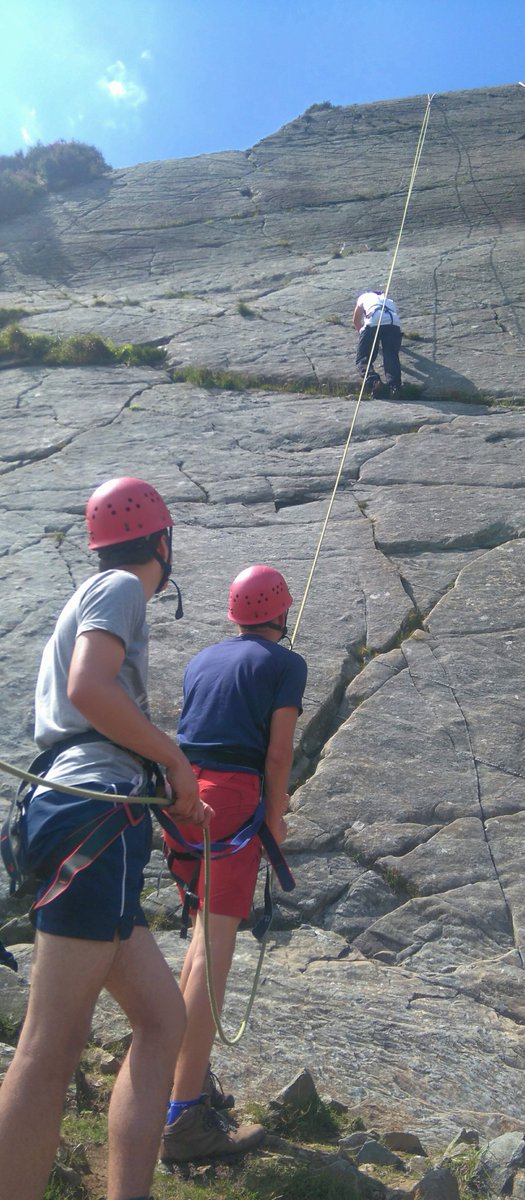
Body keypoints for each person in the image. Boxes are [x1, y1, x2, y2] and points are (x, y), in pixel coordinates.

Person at [0, 476, 211, 1200]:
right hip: (95, 814)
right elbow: (93, 689)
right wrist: (175, 759)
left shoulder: (95, 591)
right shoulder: (121, 586)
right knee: (49, 1047)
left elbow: (89, 697)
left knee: (162, 1017)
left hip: (86, 809)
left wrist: (160, 772)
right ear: (162, 540)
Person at [160, 564, 307, 1166]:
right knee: (216, 949)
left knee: (200, 940)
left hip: (183, 797)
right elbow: (277, 756)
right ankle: (183, 1119)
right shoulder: (286, 664)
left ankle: (179, 1084)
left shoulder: (202, 659)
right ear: (281, 613)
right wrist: (275, 822)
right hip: (232, 802)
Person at [353, 289, 403, 398]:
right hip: (393, 324)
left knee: (362, 359)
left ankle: (374, 381)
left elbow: (356, 321)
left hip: (373, 322)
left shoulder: (364, 296)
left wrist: (363, 335)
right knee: (391, 356)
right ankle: (394, 388)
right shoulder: (389, 300)